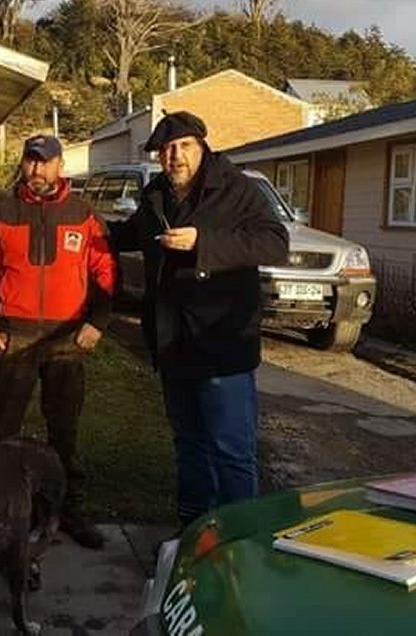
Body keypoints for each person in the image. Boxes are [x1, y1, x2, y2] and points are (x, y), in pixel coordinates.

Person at [108, 111, 289, 528]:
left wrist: (203, 242)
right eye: (167, 150)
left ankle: (241, 541)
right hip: (174, 343)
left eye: (184, 147)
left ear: (202, 146)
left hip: (223, 342)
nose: (175, 156)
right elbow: (125, 235)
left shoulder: (235, 189)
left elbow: (274, 243)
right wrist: (77, 223)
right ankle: (193, 535)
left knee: (231, 450)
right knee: (189, 445)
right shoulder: (156, 196)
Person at [0, 134, 117, 550]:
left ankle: (67, 510)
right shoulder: (2, 211)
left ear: (60, 166)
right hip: (13, 336)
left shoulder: (83, 214)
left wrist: (99, 321)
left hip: (65, 337)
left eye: (45, 162)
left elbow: (105, 272)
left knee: (64, 431)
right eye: (31, 162)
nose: (37, 170)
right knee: (3, 431)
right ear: (23, 164)